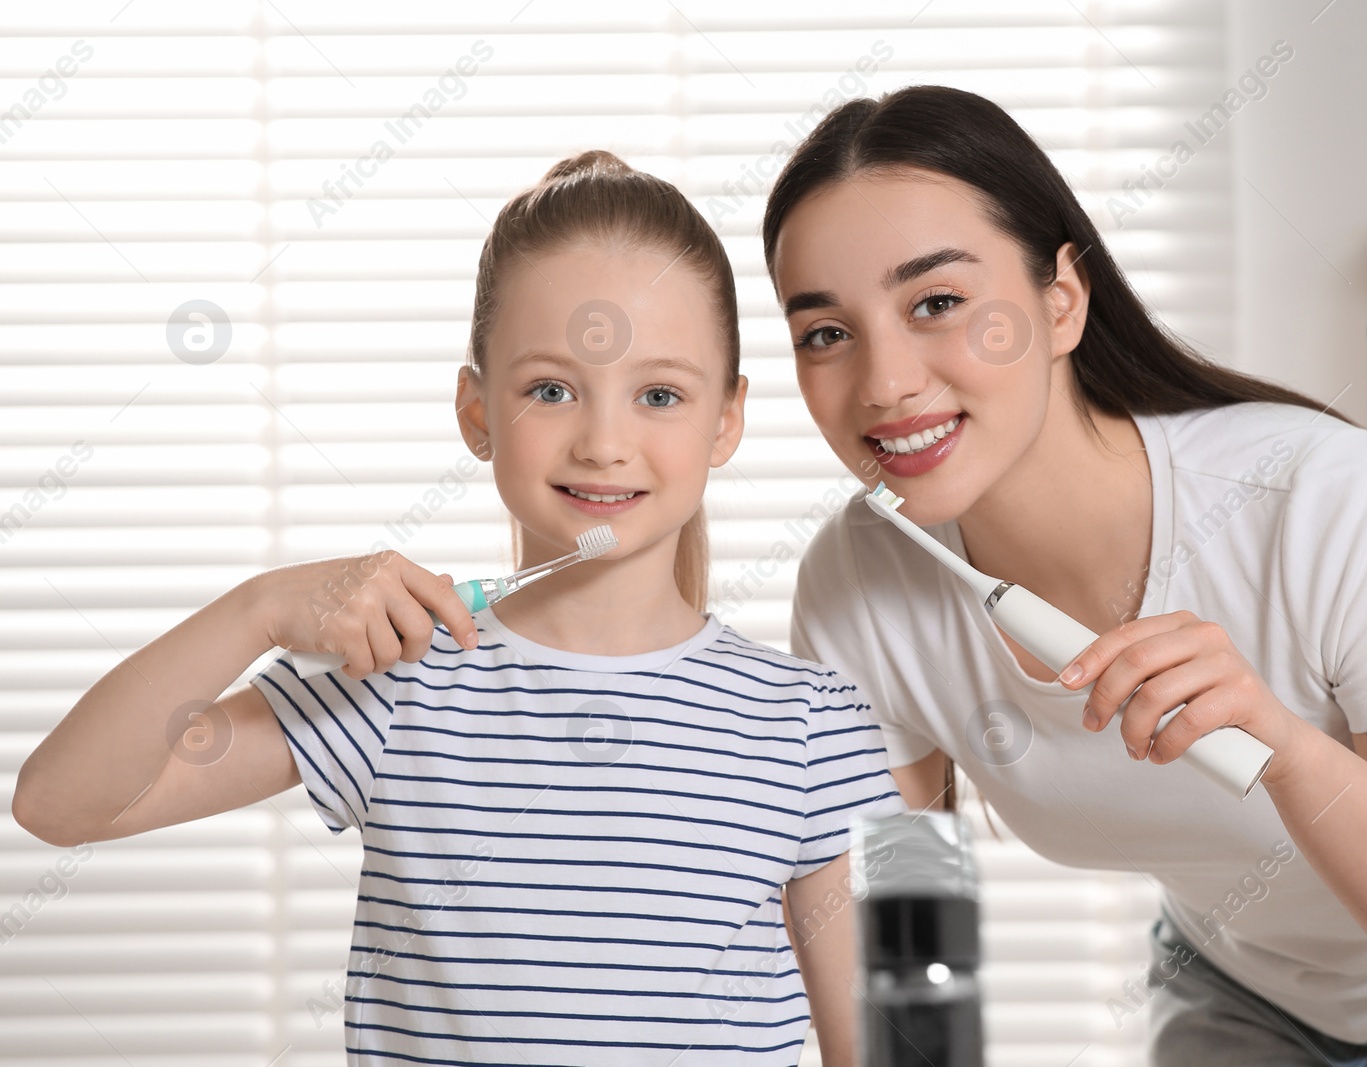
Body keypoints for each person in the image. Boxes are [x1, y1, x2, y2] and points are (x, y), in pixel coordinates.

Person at [761, 84, 1367, 1065]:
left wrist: (1288, 751)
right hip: (1239, 993)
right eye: (825, 332)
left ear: (1060, 300)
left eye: (937, 302)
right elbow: (886, 945)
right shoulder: (860, 583)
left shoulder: (1316, 499)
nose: (884, 382)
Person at [13, 150, 905, 1066]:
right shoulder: (398, 676)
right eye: (550, 389)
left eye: (660, 394)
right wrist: (256, 608)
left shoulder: (819, 723)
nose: (604, 442)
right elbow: (56, 802)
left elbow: (916, 1037)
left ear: (727, 418)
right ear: (476, 410)